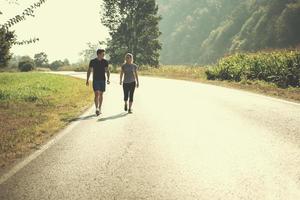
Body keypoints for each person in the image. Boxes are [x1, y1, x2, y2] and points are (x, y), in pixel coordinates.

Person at [86, 49, 110, 116]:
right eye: (103, 54)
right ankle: (96, 108)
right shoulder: (92, 61)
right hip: (96, 80)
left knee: (101, 94)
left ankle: (100, 108)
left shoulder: (105, 61)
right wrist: (87, 79)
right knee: (96, 94)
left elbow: (107, 70)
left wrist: (108, 79)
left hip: (103, 80)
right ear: (99, 54)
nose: (103, 55)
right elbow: (89, 71)